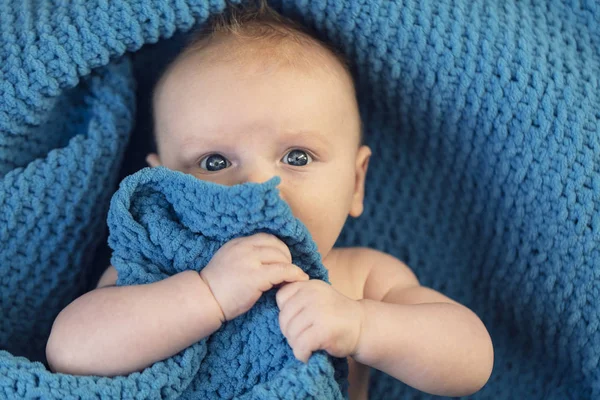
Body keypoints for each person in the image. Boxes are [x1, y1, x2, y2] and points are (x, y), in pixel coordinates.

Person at [46, 1, 494, 398]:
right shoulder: (157, 270)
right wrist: (205, 296)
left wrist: (362, 326)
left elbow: (471, 360)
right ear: (163, 183)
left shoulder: (362, 278)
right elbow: (70, 352)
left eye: (297, 156)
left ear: (356, 183)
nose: (257, 185)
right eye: (214, 162)